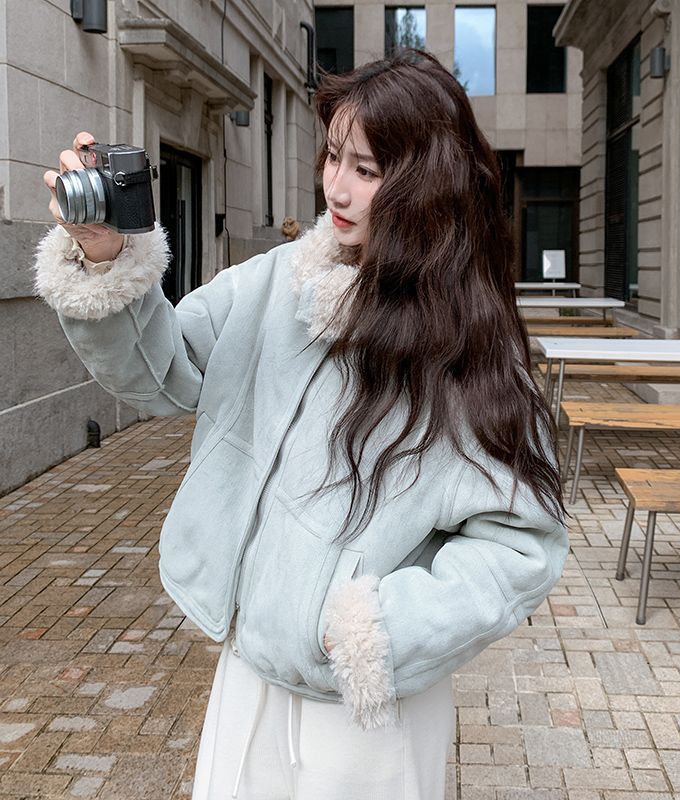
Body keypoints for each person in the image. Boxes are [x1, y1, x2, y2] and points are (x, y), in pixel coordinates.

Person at [34, 49, 568, 800]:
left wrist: (372, 631)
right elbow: (162, 374)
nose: (336, 187)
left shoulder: (465, 348)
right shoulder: (278, 281)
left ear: (427, 185)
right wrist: (106, 257)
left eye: (367, 169)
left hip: (365, 699)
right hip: (249, 664)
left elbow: (521, 543)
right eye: (333, 156)